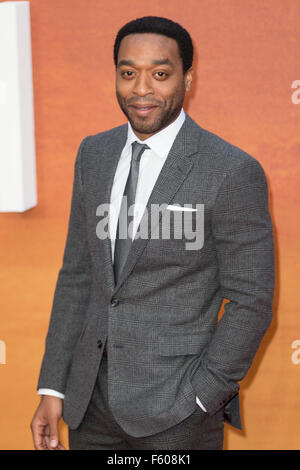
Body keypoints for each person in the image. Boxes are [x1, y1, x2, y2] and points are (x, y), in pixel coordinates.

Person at [31, 16, 275, 450]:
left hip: (178, 410)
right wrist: (54, 387)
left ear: (188, 78)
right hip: (90, 405)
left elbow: (252, 300)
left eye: (160, 74)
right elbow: (78, 275)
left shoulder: (231, 171)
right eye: (128, 73)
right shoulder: (94, 153)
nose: (141, 89)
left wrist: (203, 393)